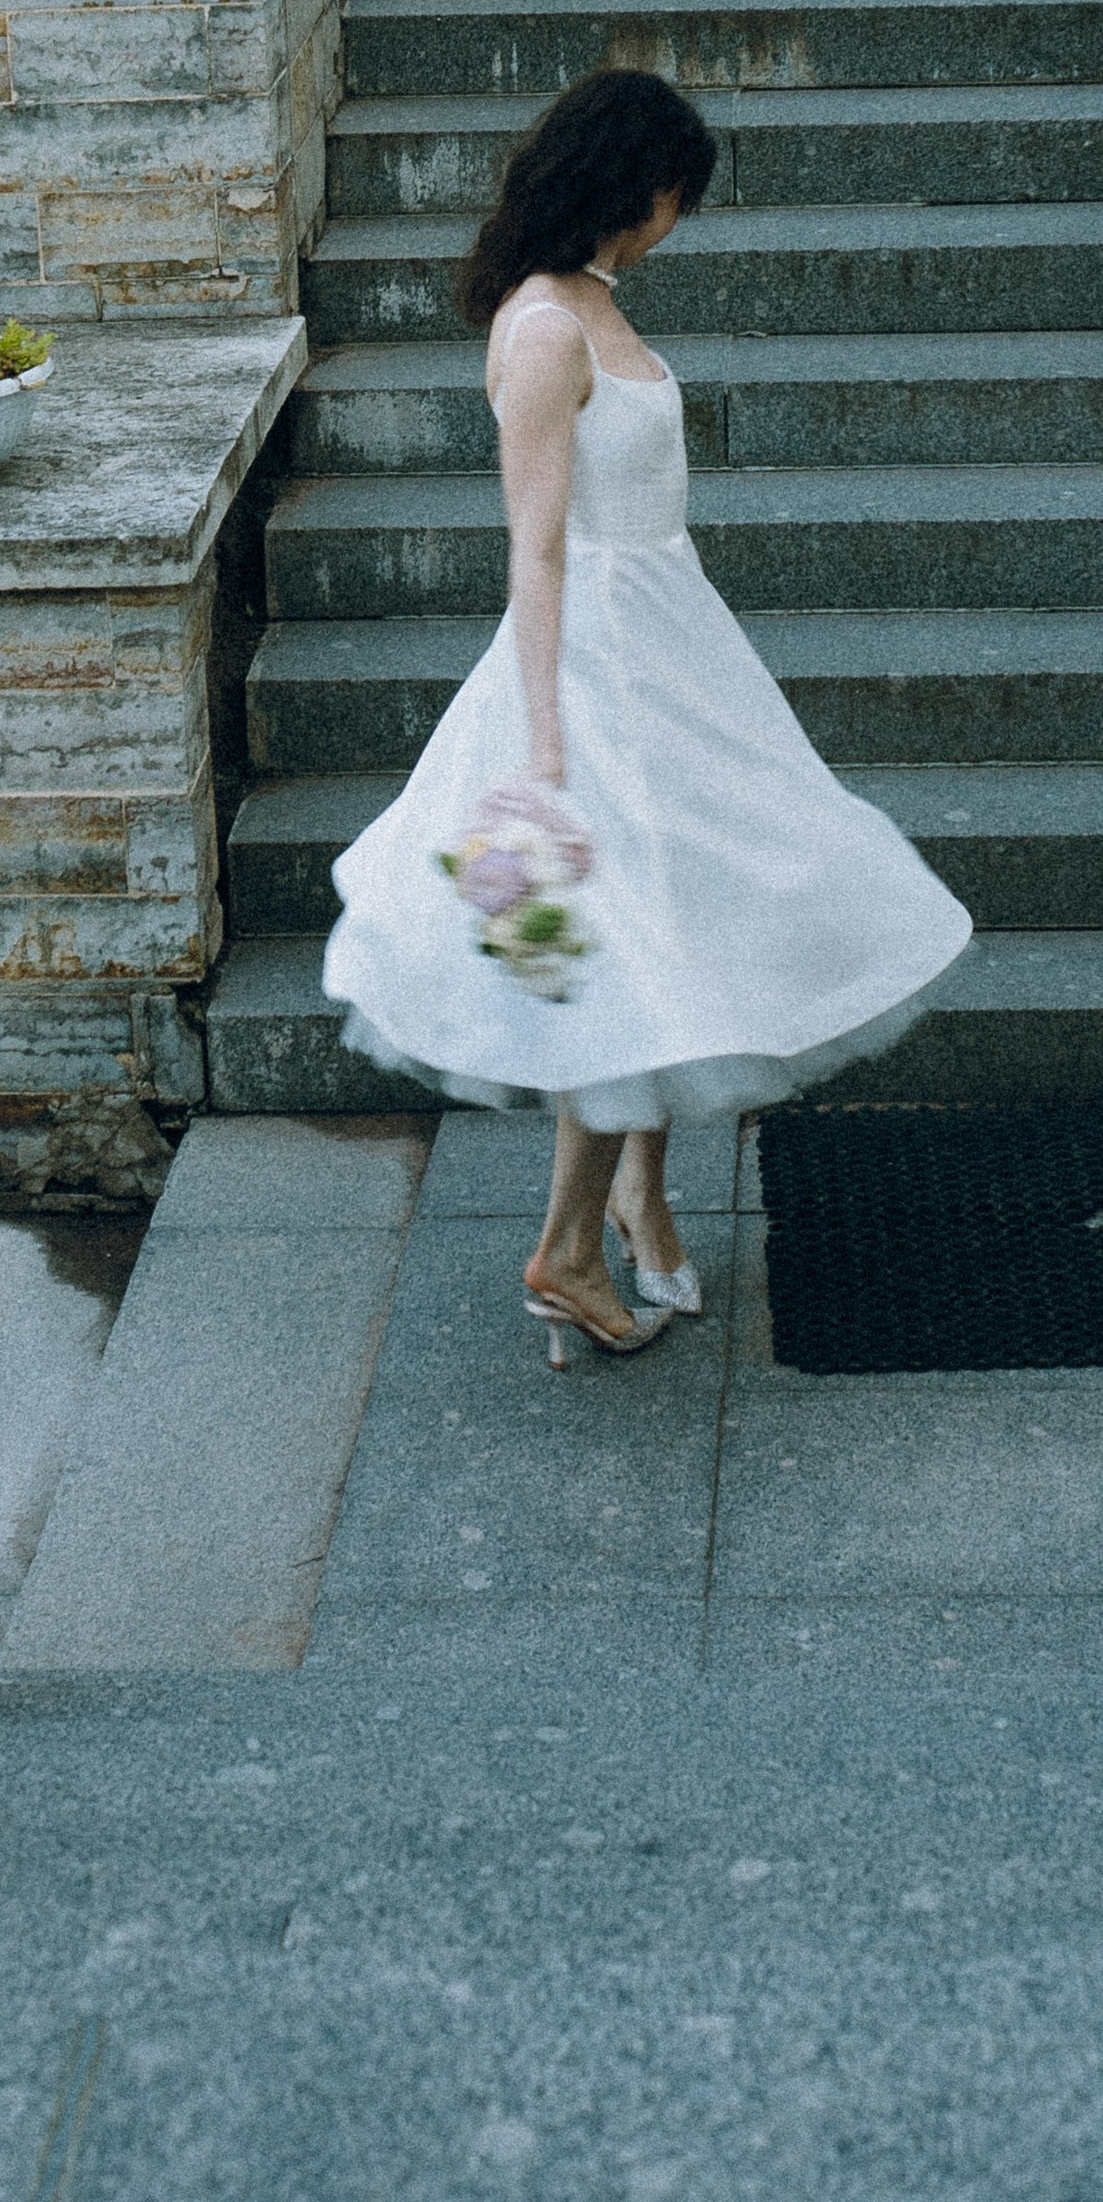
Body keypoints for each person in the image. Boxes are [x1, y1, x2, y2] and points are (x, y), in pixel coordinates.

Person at [323, 67, 973, 1365]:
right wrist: (550, 740)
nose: (677, 219)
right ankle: (567, 1251)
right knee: (618, 967)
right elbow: (541, 548)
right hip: (594, 677)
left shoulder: (591, 306)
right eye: (675, 194)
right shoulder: (544, 331)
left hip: (671, 653)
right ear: (636, 185)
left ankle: (636, 1193)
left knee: (683, 931)